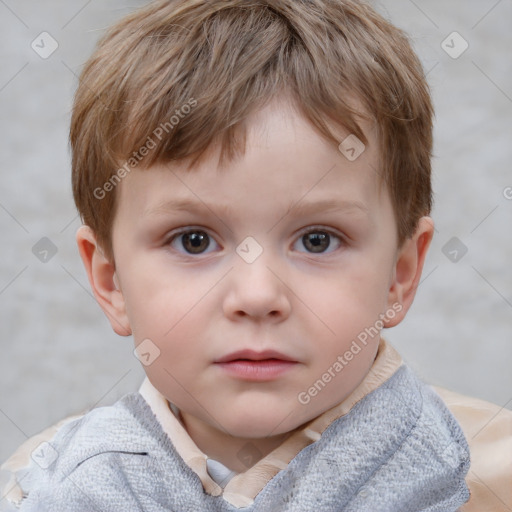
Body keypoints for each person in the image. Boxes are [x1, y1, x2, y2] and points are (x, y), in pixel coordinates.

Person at [1, 0, 510, 510]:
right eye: (193, 240)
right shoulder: (43, 488)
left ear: (400, 276)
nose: (258, 295)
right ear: (111, 282)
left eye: (317, 240)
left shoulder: (486, 482)